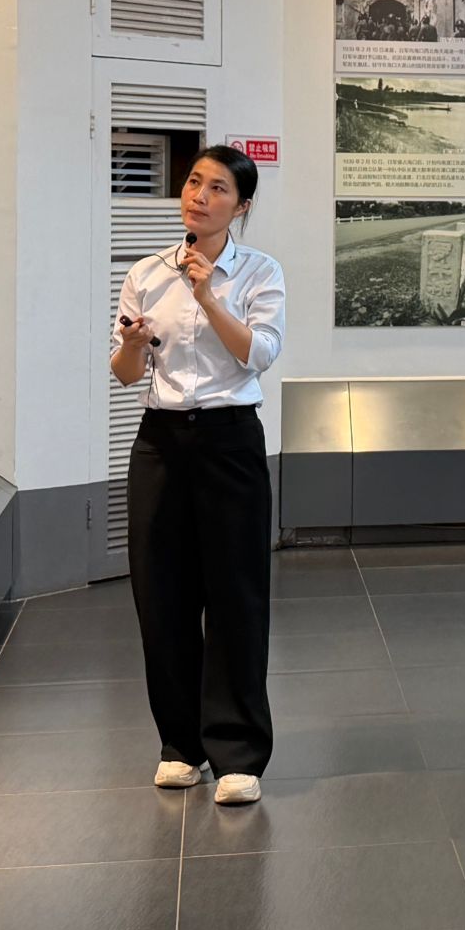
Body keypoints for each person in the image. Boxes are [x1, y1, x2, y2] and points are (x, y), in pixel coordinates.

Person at [110, 146, 285, 808]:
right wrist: (132, 344)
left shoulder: (259, 271)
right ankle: (180, 745)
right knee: (161, 594)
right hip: (160, 442)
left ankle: (237, 753)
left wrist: (208, 295)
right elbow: (126, 373)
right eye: (193, 182)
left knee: (236, 594)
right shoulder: (146, 272)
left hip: (229, 439)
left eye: (217, 189)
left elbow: (257, 354)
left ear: (241, 207)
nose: (199, 196)